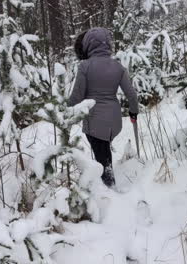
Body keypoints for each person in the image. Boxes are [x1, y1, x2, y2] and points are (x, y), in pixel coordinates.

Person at [68, 27, 139, 187]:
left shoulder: (85, 66)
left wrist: (62, 111)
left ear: (88, 45)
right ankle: (104, 181)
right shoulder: (119, 67)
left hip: (95, 121)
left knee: (102, 159)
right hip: (115, 121)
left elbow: (77, 97)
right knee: (104, 150)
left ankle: (109, 190)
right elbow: (132, 96)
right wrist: (133, 112)